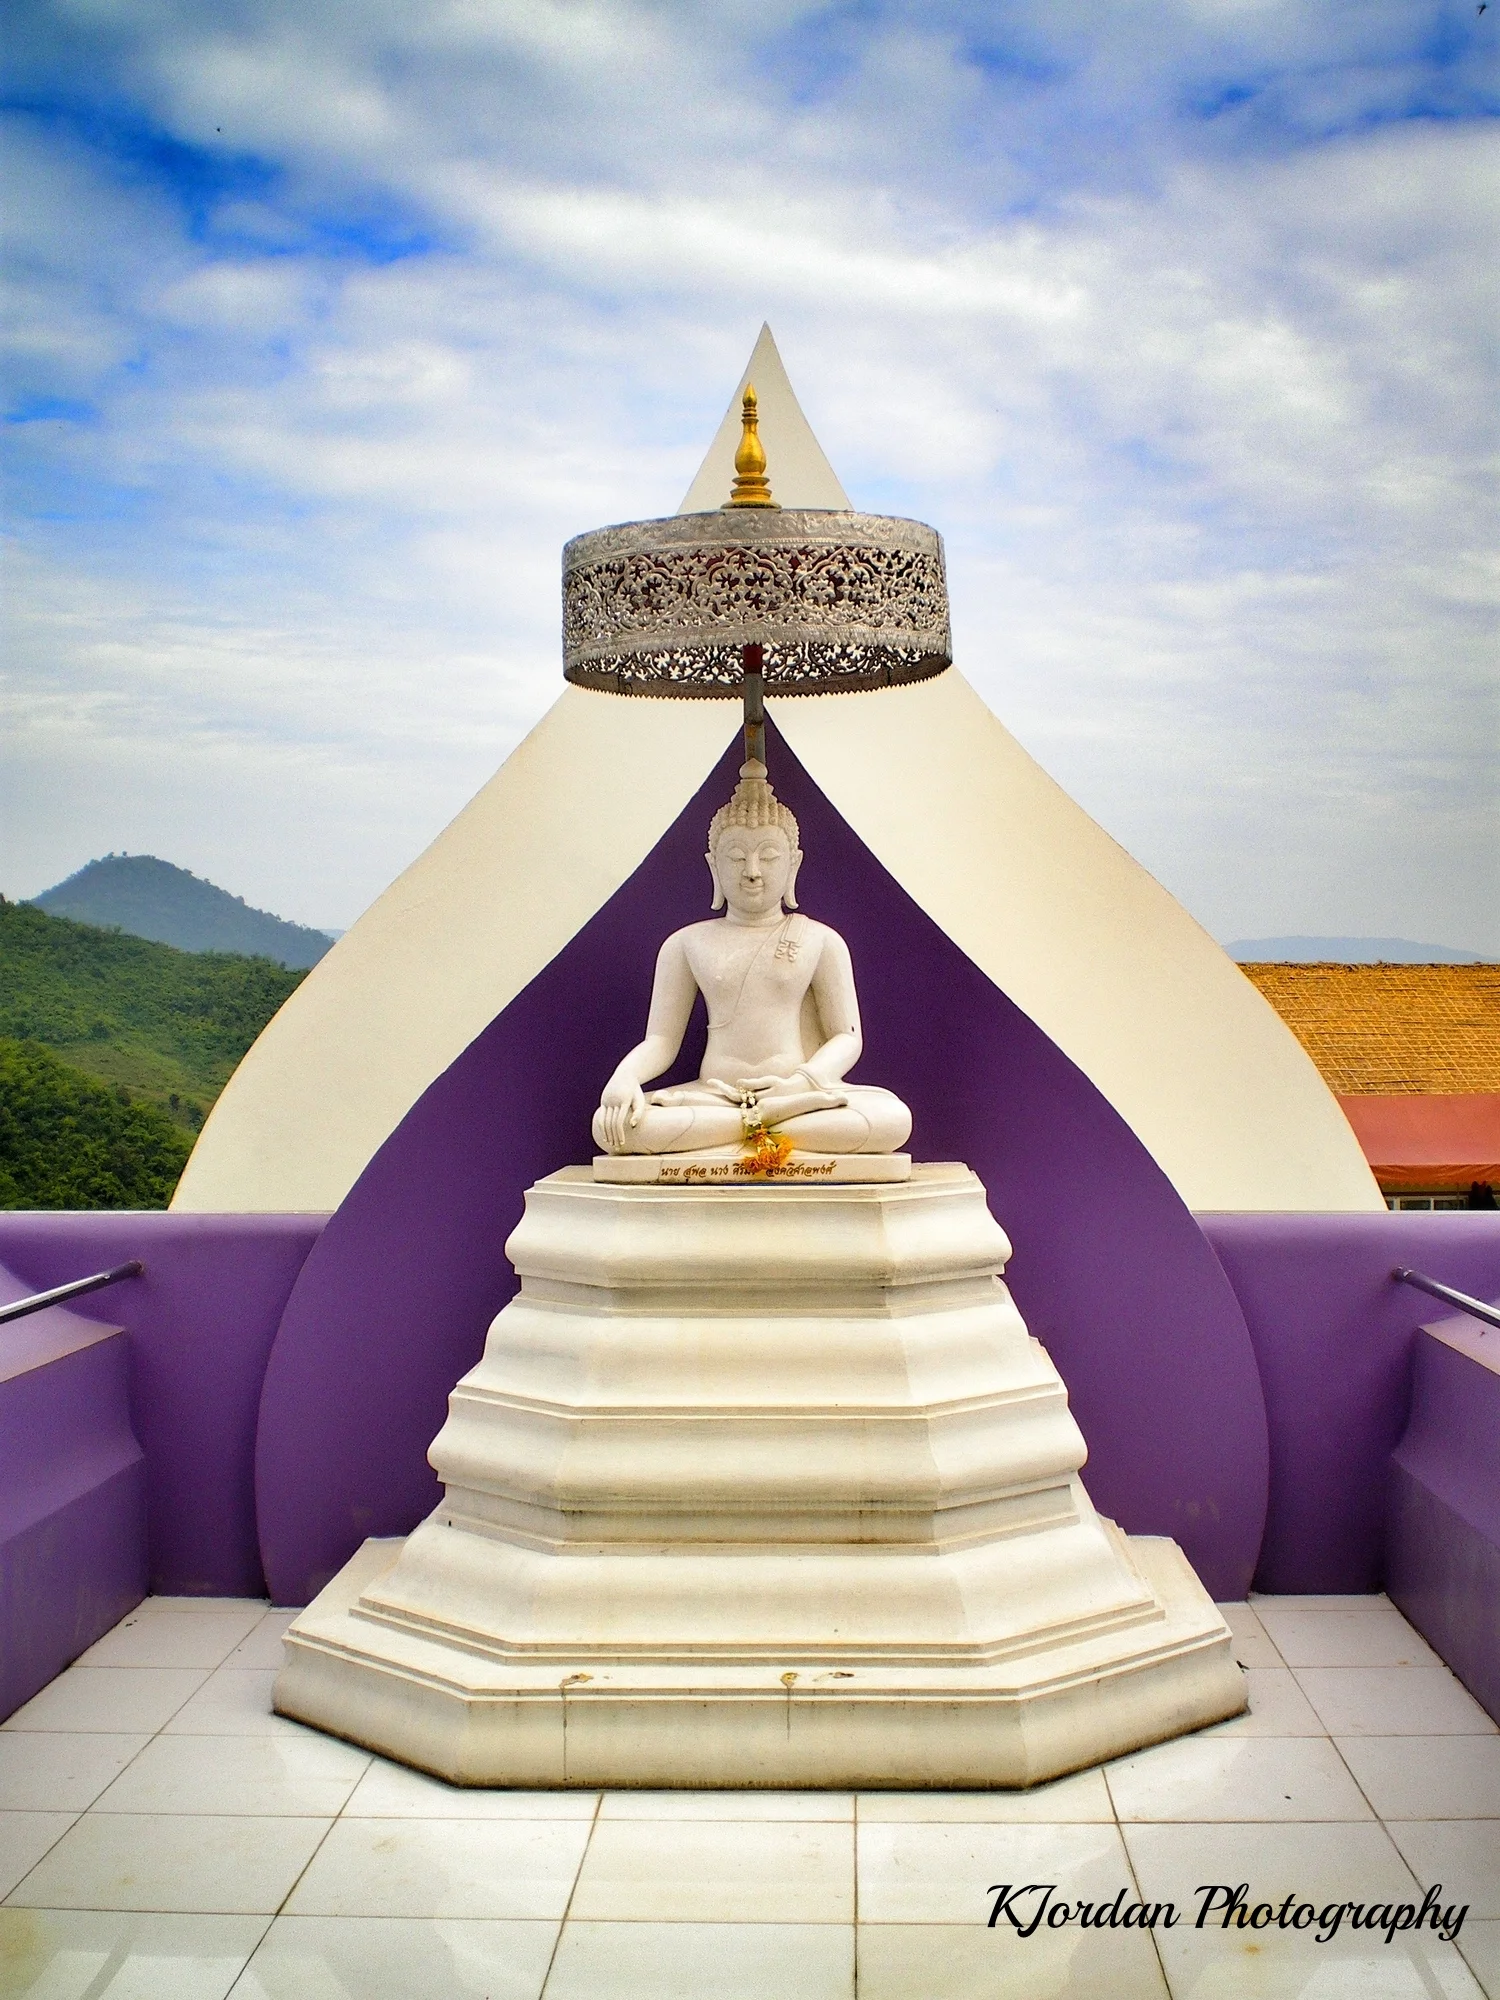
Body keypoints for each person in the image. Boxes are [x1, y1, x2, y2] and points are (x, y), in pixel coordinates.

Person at [593, 760, 912, 1159]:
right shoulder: (685, 944)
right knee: (617, 1128)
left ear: (793, 864)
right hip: (714, 1096)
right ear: (714, 866)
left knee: (892, 1119)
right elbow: (661, 1041)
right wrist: (624, 1078)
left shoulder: (820, 940)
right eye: (736, 857)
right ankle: (757, 1124)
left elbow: (846, 1037)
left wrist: (800, 1084)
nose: (753, 872)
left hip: (796, 1093)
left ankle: (753, 1124)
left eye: (769, 856)